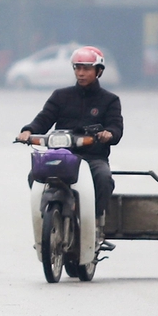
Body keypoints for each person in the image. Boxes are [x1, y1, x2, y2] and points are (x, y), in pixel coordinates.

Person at [16, 46, 123, 227]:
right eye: (77, 68)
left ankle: (95, 223)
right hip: (62, 155)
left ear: (99, 71)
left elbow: (116, 127)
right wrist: (28, 131)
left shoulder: (109, 100)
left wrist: (108, 134)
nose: (81, 73)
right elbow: (44, 118)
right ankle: (46, 221)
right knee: (34, 175)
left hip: (93, 157)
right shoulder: (60, 96)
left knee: (104, 179)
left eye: (86, 69)